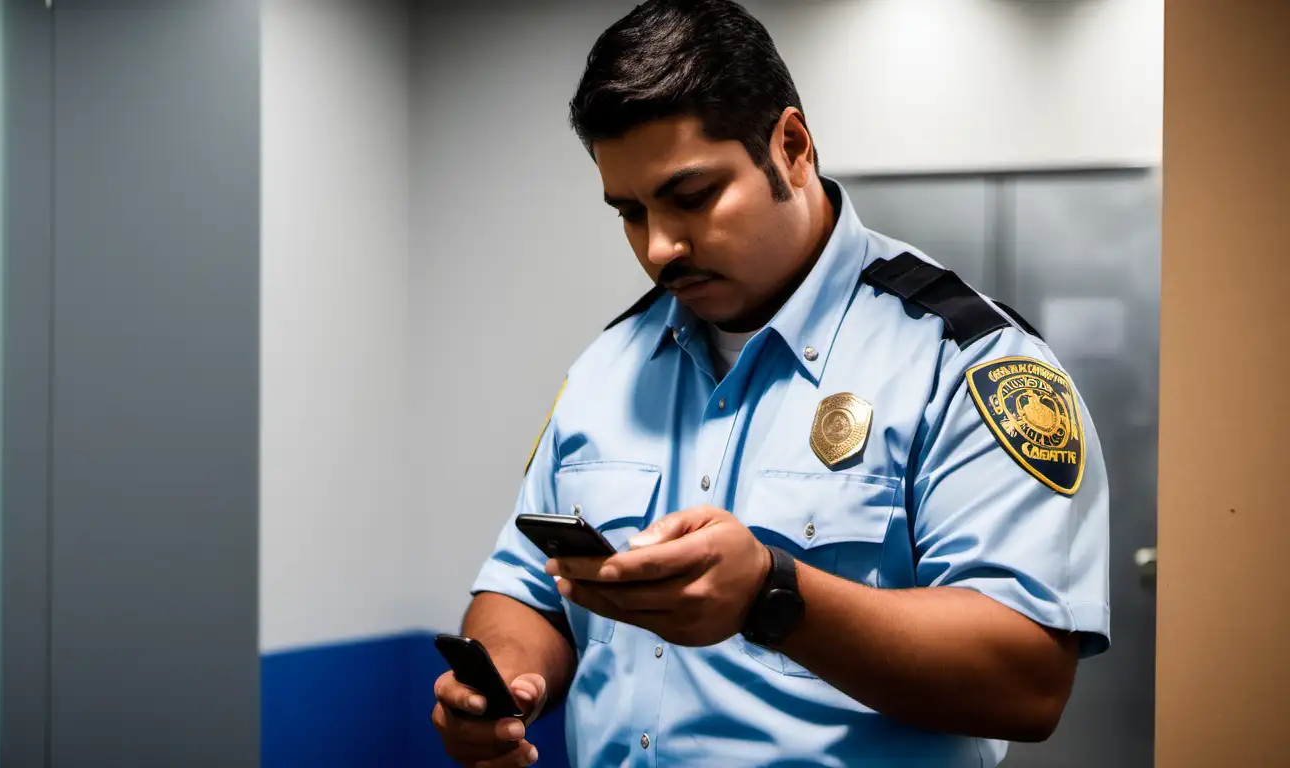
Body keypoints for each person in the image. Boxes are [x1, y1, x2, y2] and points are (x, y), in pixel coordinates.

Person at [429, 1, 1110, 765]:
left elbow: (1026, 682)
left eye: (692, 198)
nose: (659, 248)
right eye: (629, 212)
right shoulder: (604, 371)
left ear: (790, 147)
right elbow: (524, 589)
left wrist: (774, 595)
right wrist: (505, 682)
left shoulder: (963, 364)